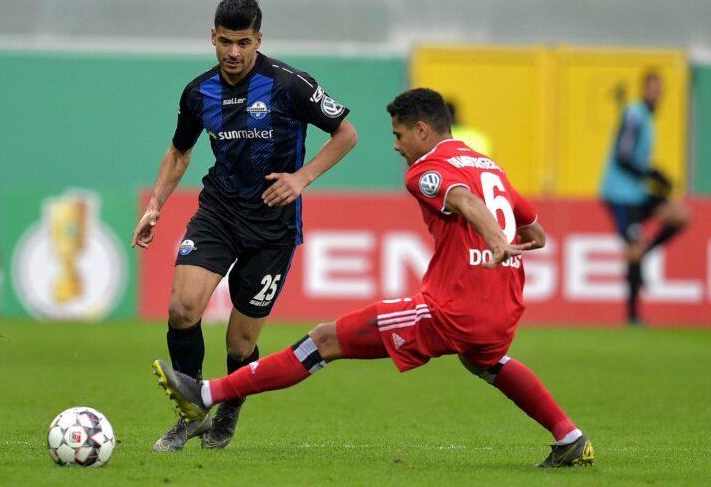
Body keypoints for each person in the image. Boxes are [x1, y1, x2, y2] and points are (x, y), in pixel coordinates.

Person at [152, 88, 595, 468]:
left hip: (451, 309)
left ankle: (204, 393)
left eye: (399, 135)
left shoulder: (425, 172)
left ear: (422, 130)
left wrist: (494, 239)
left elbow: (460, 198)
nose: (397, 146)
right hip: (503, 307)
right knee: (484, 362)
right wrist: (501, 244)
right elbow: (535, 232)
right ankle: (569, 437)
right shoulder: (489, 166)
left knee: (322, 340)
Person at [132, 0, 357, 452]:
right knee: (182, 309)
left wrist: (301, 178)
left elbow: (346, 134)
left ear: (259, 40)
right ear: (212, 38)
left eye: (244, 43)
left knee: (239, 344)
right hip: (218, 212)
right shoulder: (198, 93)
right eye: (225, 42)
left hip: (273, 227)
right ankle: (192, 412)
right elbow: (179, 151)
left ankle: (228, 411)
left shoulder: (289, 85)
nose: (233, 52)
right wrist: (156, 203)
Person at [600, 71, 690, 325]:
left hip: (637, 192)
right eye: (652, 89)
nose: (655, 95)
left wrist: (655, 176)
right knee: (632, 249)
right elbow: (623, 155)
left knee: (681, 215)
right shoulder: (634, 115)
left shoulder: (648, 119)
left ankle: (645, 251)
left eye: (659, 91)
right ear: (643, 89)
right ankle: (632, 315)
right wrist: (652, 173)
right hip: (620, 194)